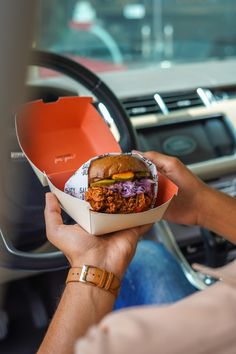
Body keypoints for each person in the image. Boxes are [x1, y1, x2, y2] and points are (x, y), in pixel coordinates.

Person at [37, 151, 236, 354]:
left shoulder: (127, 339)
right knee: (147, 255)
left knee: (143, 258)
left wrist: (93, 265)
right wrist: (200, 205)